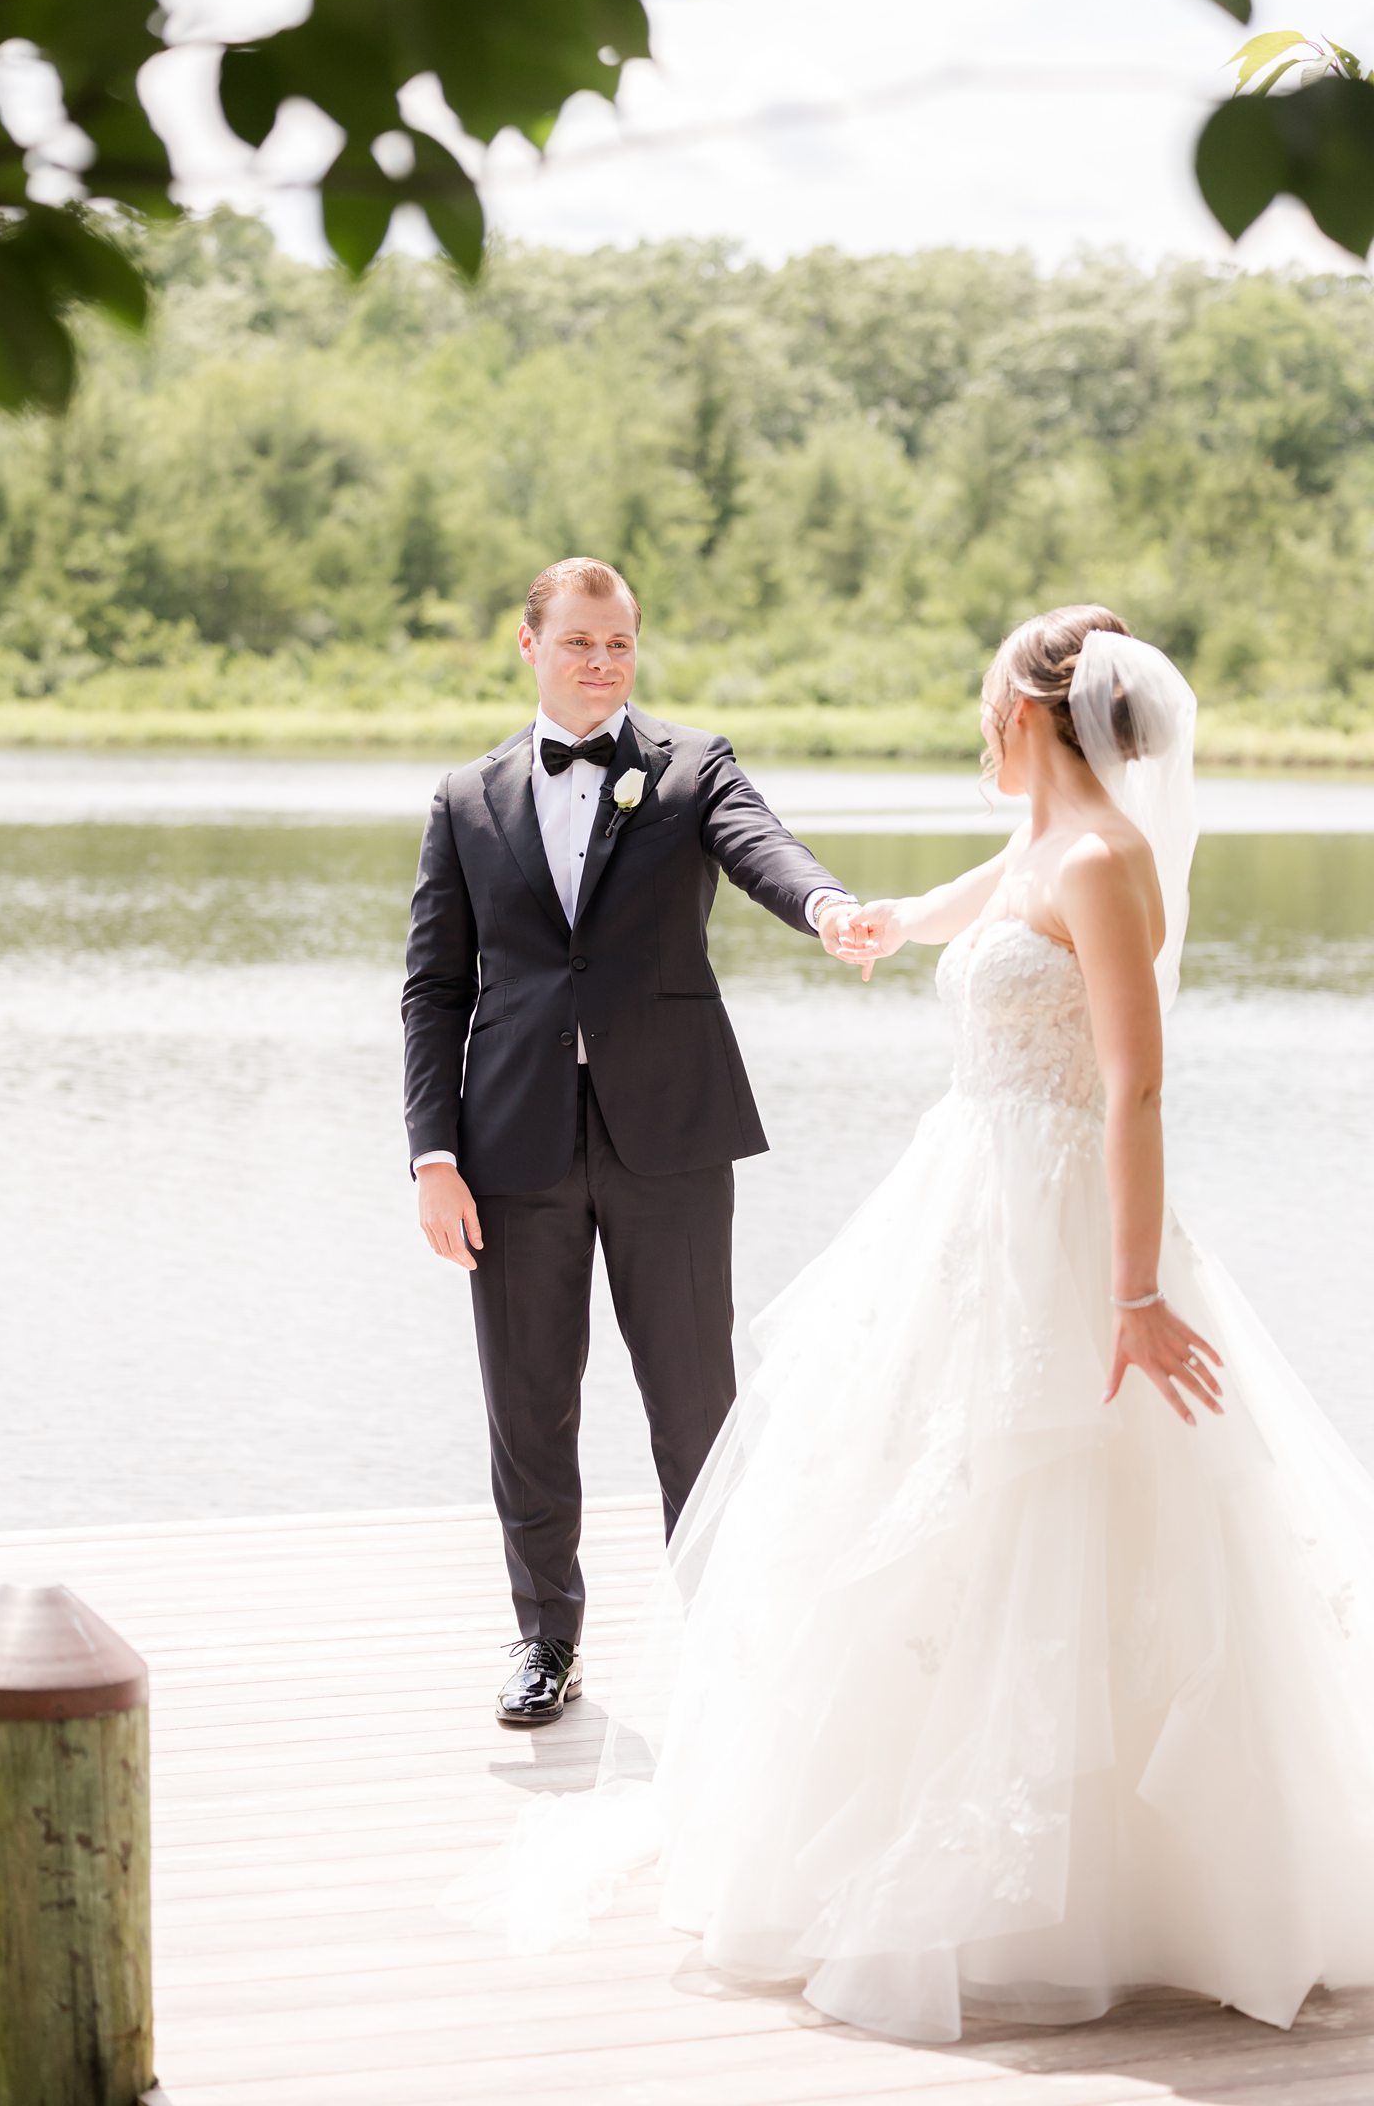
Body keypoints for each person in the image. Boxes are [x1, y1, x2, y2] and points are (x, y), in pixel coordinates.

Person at [443, 603, 1374, 2041]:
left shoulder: (1111, 859)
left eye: (989, 698)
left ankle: (1127, 1885)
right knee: (914, 1502)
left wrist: (1133, 1294)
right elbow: (970, 905)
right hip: (965, 1205)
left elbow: (1134, 1088)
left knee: (1073, 1511)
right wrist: (867, 918)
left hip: (1065, 1223)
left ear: (1032, 717)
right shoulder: (1042, 847)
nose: (976, 720)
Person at [402, 556, 868, 1728]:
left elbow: (761, 846)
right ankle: (544, 1643)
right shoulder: (465, 800)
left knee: (693, 1396)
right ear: (528, 646)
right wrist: (432, 1156)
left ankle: (721, 1632)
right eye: (577, 643)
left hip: (667, 1136)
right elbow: (433, 989)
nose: (600, 663)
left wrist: (822, 907)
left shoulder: (689, 766)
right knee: (527, 1403)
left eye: (617, 644)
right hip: (509, 1148)